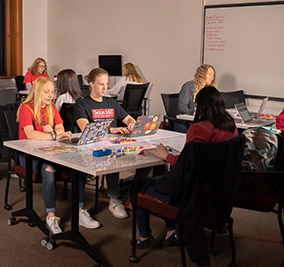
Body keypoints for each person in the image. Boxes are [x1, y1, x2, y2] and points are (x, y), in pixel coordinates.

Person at [136, 86, 238, 249]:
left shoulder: (198, 129)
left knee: (141, 186)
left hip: (194, 193)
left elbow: (188, 166)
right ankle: (171, 232)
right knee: (166, 181)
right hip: (220, 190)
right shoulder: (231, 126)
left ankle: (145, 238)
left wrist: (166, 156)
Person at [17, 77, 100, 234]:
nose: (50, 95)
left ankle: (80, 211)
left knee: (79, 165)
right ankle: (51, 215)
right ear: (37, 92)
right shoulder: (26, 108)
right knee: (49, 170)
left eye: (52, 92)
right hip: (28, 154)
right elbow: (30, 134)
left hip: (50, 151)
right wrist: (53, 136)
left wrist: (56, 133)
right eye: (46, 92)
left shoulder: (51, 107)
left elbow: (60, 129)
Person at [75, 67, 139, 219]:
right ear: (91, 84)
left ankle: (122, 197)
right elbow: (86, 129)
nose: (105, 88)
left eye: (106, 84)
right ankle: (111, 199)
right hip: (92, 148)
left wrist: (130, 123)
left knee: (142, 159)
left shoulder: (112, 102)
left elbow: (129, 118)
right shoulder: (82, 104)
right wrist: (113, 130)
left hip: (112, 145)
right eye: (100, 84)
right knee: (111, 157)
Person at [176, 64, 216, 132]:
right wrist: (193, 112)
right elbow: (181, 107)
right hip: (187, 121)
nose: (212, 77)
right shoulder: (188, 86)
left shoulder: (208, 89)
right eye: (210, 74)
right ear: (202, 74)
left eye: (213, 75)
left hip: (203, 120)